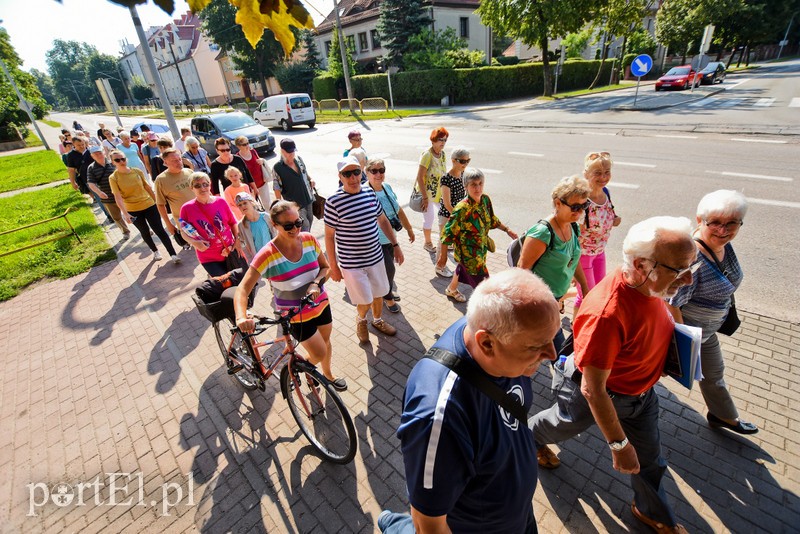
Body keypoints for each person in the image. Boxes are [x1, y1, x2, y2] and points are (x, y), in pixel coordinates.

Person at [531, 216, 698, 534]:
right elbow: (593, 390)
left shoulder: (650, 287)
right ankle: (528, 438)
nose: (688, 280)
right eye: (680, 271)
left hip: (643, 396)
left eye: (692, 267)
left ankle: (652, 511)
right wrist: (619, 445)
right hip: (600, 397)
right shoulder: (607, 314)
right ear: (640, 264)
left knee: (650, 460)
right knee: (561, 423)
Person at [379, 269, 560, 534]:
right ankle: (394, 525)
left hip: (517, 516)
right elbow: (429, 524)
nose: (552, 354)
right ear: (486, 343)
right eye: (537, 347)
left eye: (552, 339)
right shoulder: (439, 417)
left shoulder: (496, 335)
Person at [667, 190, 757, 435]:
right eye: (715, 222)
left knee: (714, 374)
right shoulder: (693, 259)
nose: (723, 230)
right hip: (685, 335)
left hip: (706, 333)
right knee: (652, 374)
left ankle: (723, 416)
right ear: (700, 220)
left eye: (732, 223)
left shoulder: (723, 246)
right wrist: (680, 343)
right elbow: (671, 302)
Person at [234, 200, 347, 391]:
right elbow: (243, 289)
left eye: (298, 222)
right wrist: (241, 316)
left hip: (320, 305)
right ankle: (299, 369)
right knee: (318, 352)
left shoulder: (310, 239)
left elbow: (325, 267)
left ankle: (326, 374)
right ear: (274, 225)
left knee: (326, 343)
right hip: (295, 315)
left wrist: (316, 283)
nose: (295, 228)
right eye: (288, 226)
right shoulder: (267, 254)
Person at [324, 156, 404, 344]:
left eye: (356, 172)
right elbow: (329, 236)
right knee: (365, 300)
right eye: (347, 174)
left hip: (375, 258)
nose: (352, 178)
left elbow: (383, 220)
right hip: (352, 264)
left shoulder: (369, 194)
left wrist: (396, 245)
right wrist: (333, 267)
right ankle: (361, 320)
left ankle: (377, 320)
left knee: (379, 294)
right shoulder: (334, 202)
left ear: (361, 173)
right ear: (340, 176)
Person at [518, 175, 590, 349]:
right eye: (575, 207)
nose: (579, 212)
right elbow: (520, 272)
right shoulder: (543, 233)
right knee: (554, 351)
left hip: (554, 301)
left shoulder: (572, 226)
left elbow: (574, 259)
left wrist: (585, 288)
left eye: (584, 206)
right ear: (558, 203)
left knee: (547, 350)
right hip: (540, 306)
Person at [441, 168, 517, 303]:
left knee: (460, 269)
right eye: (473, 184)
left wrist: (507, 230)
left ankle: (451, 289)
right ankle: (484, 314)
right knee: (484, 288)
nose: (478, 188)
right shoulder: (462, 209)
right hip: (469, 256)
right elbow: (447, 234)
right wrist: (443, 257)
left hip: (480, 250)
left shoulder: (485, 200)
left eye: (480, 183)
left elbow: (492, 219)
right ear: (466, 186)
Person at [108, 150, 181, 264]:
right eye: (117, 160)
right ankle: (155, 251)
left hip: (149, 205)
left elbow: (147, 187)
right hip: (133, 209)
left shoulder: (136, 171)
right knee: (145, 231)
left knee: (159, 229)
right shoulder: (114, 178)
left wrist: (158, 202)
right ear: (113, 162)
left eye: (123, 158)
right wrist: (125, 214)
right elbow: (118, 197)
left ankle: (173, 254)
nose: (121, 161)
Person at [366, 158, 415, 314]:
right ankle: (387, 297)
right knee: (389, 269)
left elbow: (398, 210)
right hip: (374, 242)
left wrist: (409, 228)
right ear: (367, 172)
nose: (378, 174)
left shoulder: (387, 187)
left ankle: (385, 290)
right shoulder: (364, 192)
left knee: (387, 271)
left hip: (390, 238)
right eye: (374, 171)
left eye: (382, 170)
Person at [575, 151, 622, 316]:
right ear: (586, 174)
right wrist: (572, 267)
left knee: (598, 292)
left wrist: (614, 219)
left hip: (600, 252)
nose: (603, 177)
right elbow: (572, 234)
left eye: (607, 172)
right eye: (598, 173)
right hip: (583, 256)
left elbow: (607, 214)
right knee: (588, 297)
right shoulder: (582, 200)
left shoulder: (606, 193)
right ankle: (577, 332)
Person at [179, 172, 242, 276]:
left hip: (231, 251)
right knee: (226, 286)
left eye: (205, 184)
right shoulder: (186, 208)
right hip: (209, 258)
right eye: (197, 186)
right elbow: (183, 231)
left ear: (210, 184)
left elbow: (233, 223)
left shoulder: (221, 202)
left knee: (243, 283)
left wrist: (236, 241)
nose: (202, 188)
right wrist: (194, 243)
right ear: (191, 188)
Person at [434, 147, 470, 278]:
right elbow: (447, 204)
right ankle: (439, 267)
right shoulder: (446, 178)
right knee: (443, 241)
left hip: (458, 215)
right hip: (447, 215)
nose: (465, 164)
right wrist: (457, 217)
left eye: (468, 161)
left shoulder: (463, 175)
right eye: (462, 161)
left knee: (453, 241)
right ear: (453, 161)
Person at [414, 127, 449, 254]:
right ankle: (427, 243)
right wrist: (424, 198)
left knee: (446, 216)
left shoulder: (443, 154)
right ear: (433, 140)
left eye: (445, 140)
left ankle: (445, 241)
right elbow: (419, 177)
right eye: (440, 139)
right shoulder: (427, 155)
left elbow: (443, 173)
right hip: (427, 194)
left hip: (439, 192)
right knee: (429, 218)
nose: (443, 142)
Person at [86, 146, 131, 241]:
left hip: (122, 194)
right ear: (92, 156)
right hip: (107, 197)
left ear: (103, 152)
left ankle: (142, 229)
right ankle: (125, 232)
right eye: (96, 154)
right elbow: (91, 183)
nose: (99, 155)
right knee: (116, 217)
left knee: (132, 212)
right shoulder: (91, 168)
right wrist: (99, 192)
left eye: (100, 153)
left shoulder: (113, 162)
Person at [272, 138, 314, 232]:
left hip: (308, 198)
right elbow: (276, 187)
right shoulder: (277, 168)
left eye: (293, 151)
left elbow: (305, 173)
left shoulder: (298, 159)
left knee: (310, 220)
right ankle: (304, 243)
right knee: (304, 225)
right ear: (282, 151)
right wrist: (280, 205)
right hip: (295, 204)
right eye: (289, 152)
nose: (292, 154)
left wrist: (310, 179)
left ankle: (306, 239)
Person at [154, 148, 195, 243]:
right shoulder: (161, 180)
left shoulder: (189, 172)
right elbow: (160, 204)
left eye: (180, 159)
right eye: (174, 161)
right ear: (165, 162)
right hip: (185, 222)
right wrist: (168, 224)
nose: (179, 162)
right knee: (197, 245)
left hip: (201, 215)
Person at [235, 192, 274, 260]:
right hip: (259, 259)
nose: (242, 206)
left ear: (252, 202)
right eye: (239, 205)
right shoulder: (241, 225)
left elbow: (275, 234)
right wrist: (251, 261)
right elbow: (243, 246)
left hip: (272, 254)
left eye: (245, 203)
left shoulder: (266, 217)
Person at [234, 135, 269, 206]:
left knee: (267, 204)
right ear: (238, 146)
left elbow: (260, 161)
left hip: (262, 183)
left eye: (248, 143)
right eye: (244, 144)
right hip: (250, 188)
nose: (247, 145)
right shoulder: (237, 158)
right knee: (254, 206)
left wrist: (262, 160)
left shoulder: (253, 151)